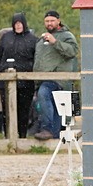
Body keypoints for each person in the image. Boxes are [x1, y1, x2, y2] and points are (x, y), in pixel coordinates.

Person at [33, 9, 79, 140]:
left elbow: (73, 51)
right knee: (55, 108)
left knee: (44, 94)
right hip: (42, 79)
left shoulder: (67, 35)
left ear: (58, 21)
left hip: (59, 79)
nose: (49, 23)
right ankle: (54, 137)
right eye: (47, 21)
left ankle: (47, 128)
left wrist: (55, 42)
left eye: (52, 20)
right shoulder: (41, 40)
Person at [0, 13, 39, 137]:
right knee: (7, 109)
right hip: (5, 79)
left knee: (24, 110)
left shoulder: (33, 39)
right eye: (16, 23)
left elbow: (37, 59)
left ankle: (22, 136)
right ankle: (8, 136)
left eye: (20, 23)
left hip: (26, 82)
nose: (18, 25)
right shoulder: (6, 38)